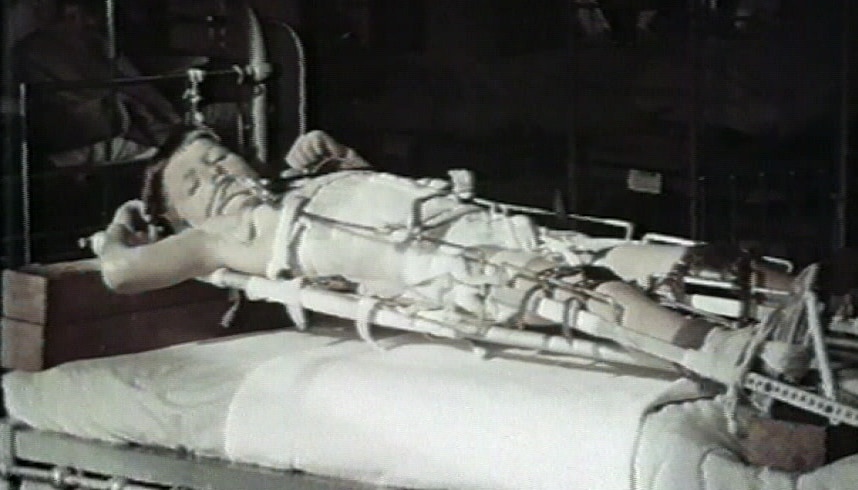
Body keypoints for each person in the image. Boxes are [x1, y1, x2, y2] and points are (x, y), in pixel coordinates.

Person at [88, 127, 810, 388]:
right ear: (179, 218)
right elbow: (119, 272)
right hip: (450, 270)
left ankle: (815, 305)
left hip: (490, 228)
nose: (215, 173)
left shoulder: (308, 184)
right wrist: (120, 228)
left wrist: (344, 158)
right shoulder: (225, 240)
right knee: (576, 287)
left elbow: (393, 197)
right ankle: (727, 353)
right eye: (194, 181)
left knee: (645, 253)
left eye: (217, 155)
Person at [13, 0, 182, 167]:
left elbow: (139, 86)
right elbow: (55, 120)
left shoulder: (98, 44)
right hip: (89, 143)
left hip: (140, 133)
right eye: (75, 16)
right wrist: (117, 109)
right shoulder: (30, 54)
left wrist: (173, 122)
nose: (90, 23)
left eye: (89, 15)